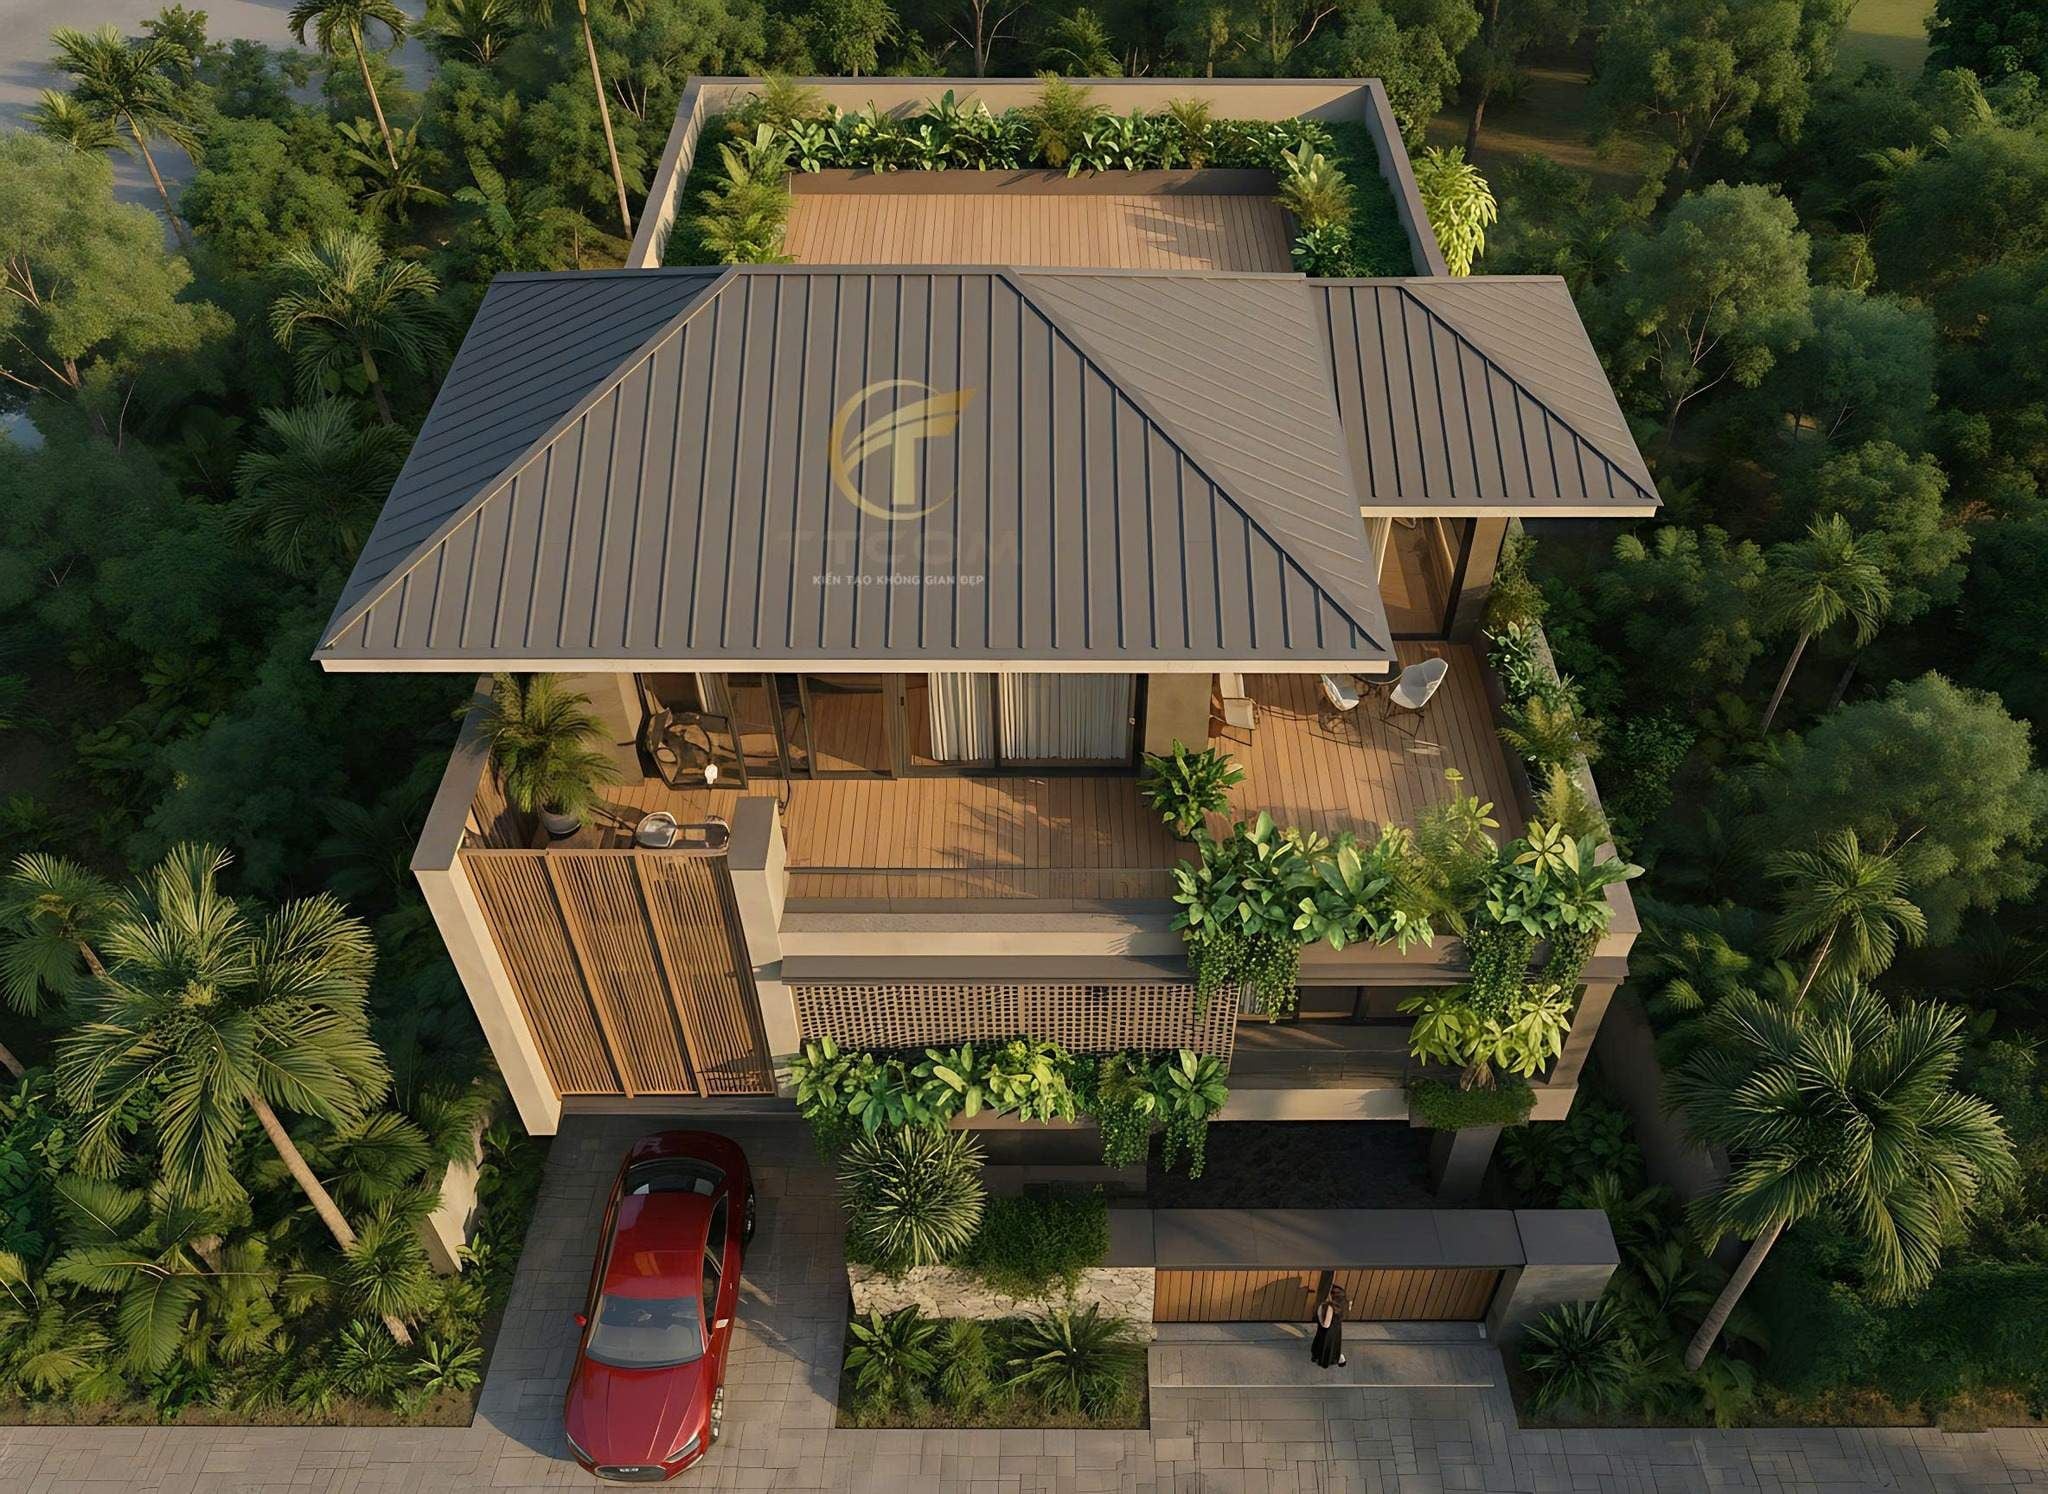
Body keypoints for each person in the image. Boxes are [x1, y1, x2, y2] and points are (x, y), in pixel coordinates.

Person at [1310, 1282, 1347, 1369]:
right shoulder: (1341, 1305)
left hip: (1327, 1332)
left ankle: (1321, 1358)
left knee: (1323, 1345)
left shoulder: (1329, 1307)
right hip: (1336, 1330)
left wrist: (1319, 1314)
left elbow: (1325, 1325)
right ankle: (1335, 1358)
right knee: (1333, 1346)